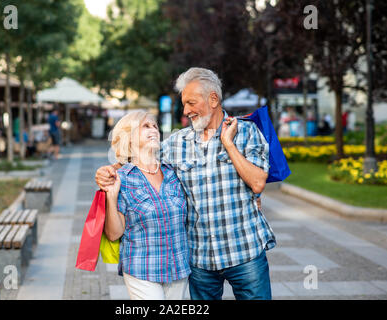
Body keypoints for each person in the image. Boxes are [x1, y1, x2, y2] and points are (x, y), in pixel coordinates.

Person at [96, 67, 275, 300]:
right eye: (184, 104)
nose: (186, 110)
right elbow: (142, 160)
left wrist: (228, 144)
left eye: (191, 103)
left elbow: (258, 182)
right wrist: (110, 170)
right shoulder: (177, 143)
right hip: (200, 259)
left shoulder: (247, 132)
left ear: (213, 99)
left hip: (245, 251)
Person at [103, 110, 191, 300]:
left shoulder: (173, 172)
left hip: (178, 266)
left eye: (155, 126)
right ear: (130, 138)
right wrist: (111, 197)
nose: (153, 130)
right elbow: (114, 233)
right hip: (142, 268)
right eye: (145, 126)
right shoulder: (122, 178)